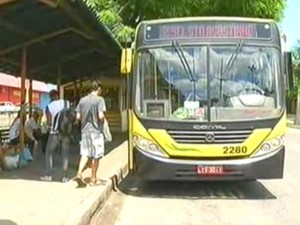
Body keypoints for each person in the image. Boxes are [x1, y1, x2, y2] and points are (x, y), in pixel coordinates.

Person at [74, 81, 107, 187]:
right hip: (96, 131)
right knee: (96, 155)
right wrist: (104, 122)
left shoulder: (82, 100)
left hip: (85, 131)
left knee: (85, 153)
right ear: (98, 89)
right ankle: (93, 179)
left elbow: (78, 117)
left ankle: (79, 173)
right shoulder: (100, 100)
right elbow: (101, 116)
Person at [40, 89, 71, 183]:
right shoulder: (67, 103)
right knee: (65, 154)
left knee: (49, 153)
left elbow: (49, 122)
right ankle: (64, 177)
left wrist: (48, 127)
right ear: (58, 95)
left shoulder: (49, 106)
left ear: (51, 97)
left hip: (55, 133)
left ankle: (49, 175)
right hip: (66, 132)